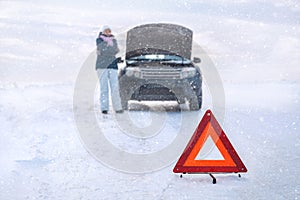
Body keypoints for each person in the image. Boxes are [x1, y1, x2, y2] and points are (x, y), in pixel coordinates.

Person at [95, 25, 123, 114]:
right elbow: (105, 50)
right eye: (106, 31)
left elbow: (112, 50)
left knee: (114, 87)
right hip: (102, 66)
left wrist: (109, 51)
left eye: (109, 31)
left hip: (113, 66)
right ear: (102, 31)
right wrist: (111, 50)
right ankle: (104, 108)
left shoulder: (114, 40)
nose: (107, 32)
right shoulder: (99, 40)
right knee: (104, 88)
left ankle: (118, 107)